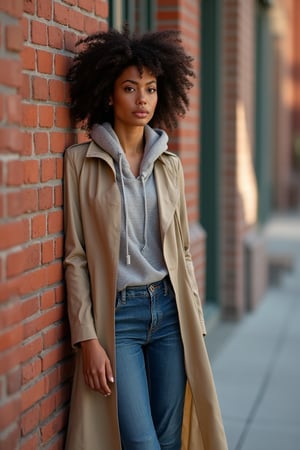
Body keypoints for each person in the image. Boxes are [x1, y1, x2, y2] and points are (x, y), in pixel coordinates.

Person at [63, 27, 228, 450]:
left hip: (170, 313)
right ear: (108, 95)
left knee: (170, 439)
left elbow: (183, 251)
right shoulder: (81, 163)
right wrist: (86, 337)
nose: (143, 100)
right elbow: (76, 257)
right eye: (130, 88)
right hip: (119, 320)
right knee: (141, 442)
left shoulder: (168, 164)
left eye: (151, 89)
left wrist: (194, 319)